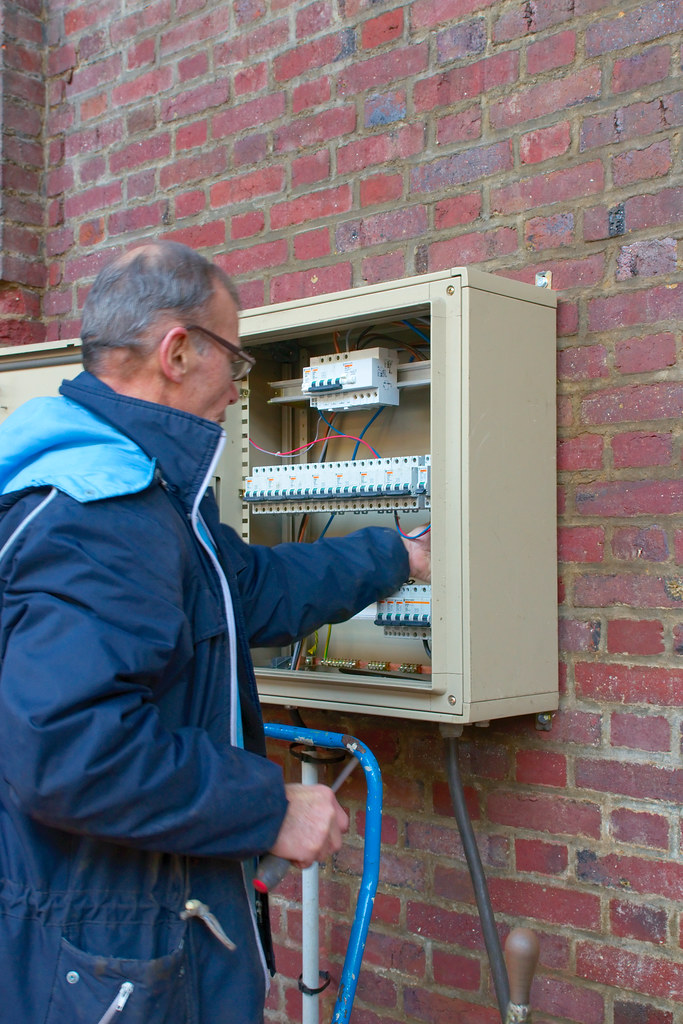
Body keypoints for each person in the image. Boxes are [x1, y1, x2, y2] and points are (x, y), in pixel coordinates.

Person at [0, 241, 430, 1023]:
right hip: (110, 958)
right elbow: (70, 752)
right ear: (177, 352)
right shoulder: (100, 515)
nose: (238, 387)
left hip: (121, 932)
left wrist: (393, 556)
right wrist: (267, 809)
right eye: (235, 358)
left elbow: (248, 589)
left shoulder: (141, 493)